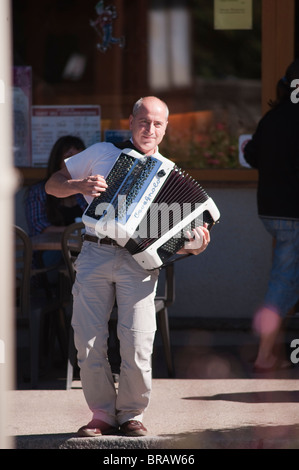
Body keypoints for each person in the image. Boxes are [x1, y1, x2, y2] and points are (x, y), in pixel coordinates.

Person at [45, 96, 211, 437]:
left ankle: (132, 414)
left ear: (165, 129)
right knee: (88, 339)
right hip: (94, 253)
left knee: (137, 340)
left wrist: (195, 245)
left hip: (138, 263)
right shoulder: (102, 152)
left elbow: (174, 240)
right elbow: (52, 184)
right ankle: (102, 415)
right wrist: (77, 185)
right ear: (131, 120)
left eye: (157, 124)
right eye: (144, 121)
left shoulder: (169, 174)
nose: (149, 129)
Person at [244, 60, 299, 373]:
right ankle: (265, 355)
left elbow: (251, 154)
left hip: (271, 211)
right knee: (283, 284)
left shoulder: (273, 118)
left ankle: (272, 351)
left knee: (286, 281)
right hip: (293, 215)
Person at [25, 135, 87, 283]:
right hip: (50, 253)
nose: (76, 162)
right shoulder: (39, 191)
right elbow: (39, 227)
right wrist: (73, 230)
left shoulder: (86, 189)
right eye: (69, 156)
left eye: (80, 156)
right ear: (58, 159)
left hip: (82, 249)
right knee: (66, 258)